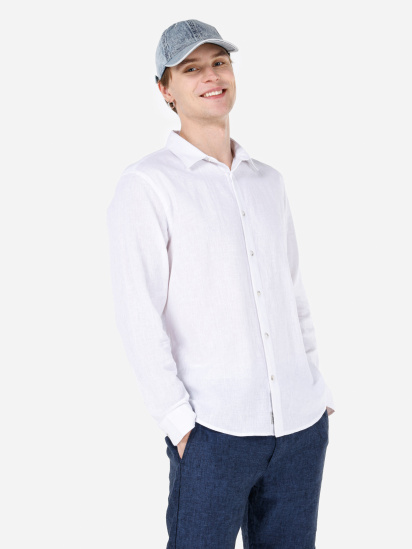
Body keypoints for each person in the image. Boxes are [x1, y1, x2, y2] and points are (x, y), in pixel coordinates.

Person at [106, 18, 336, 549]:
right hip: (214, 432)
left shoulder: (268, 181)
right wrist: (180, 423)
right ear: (165, 89)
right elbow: (138, 314)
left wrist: (315, 388)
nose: (211, 76)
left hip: (300, 428)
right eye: (191, 69)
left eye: (219, 62)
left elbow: (292, 293)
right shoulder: (147, 185)